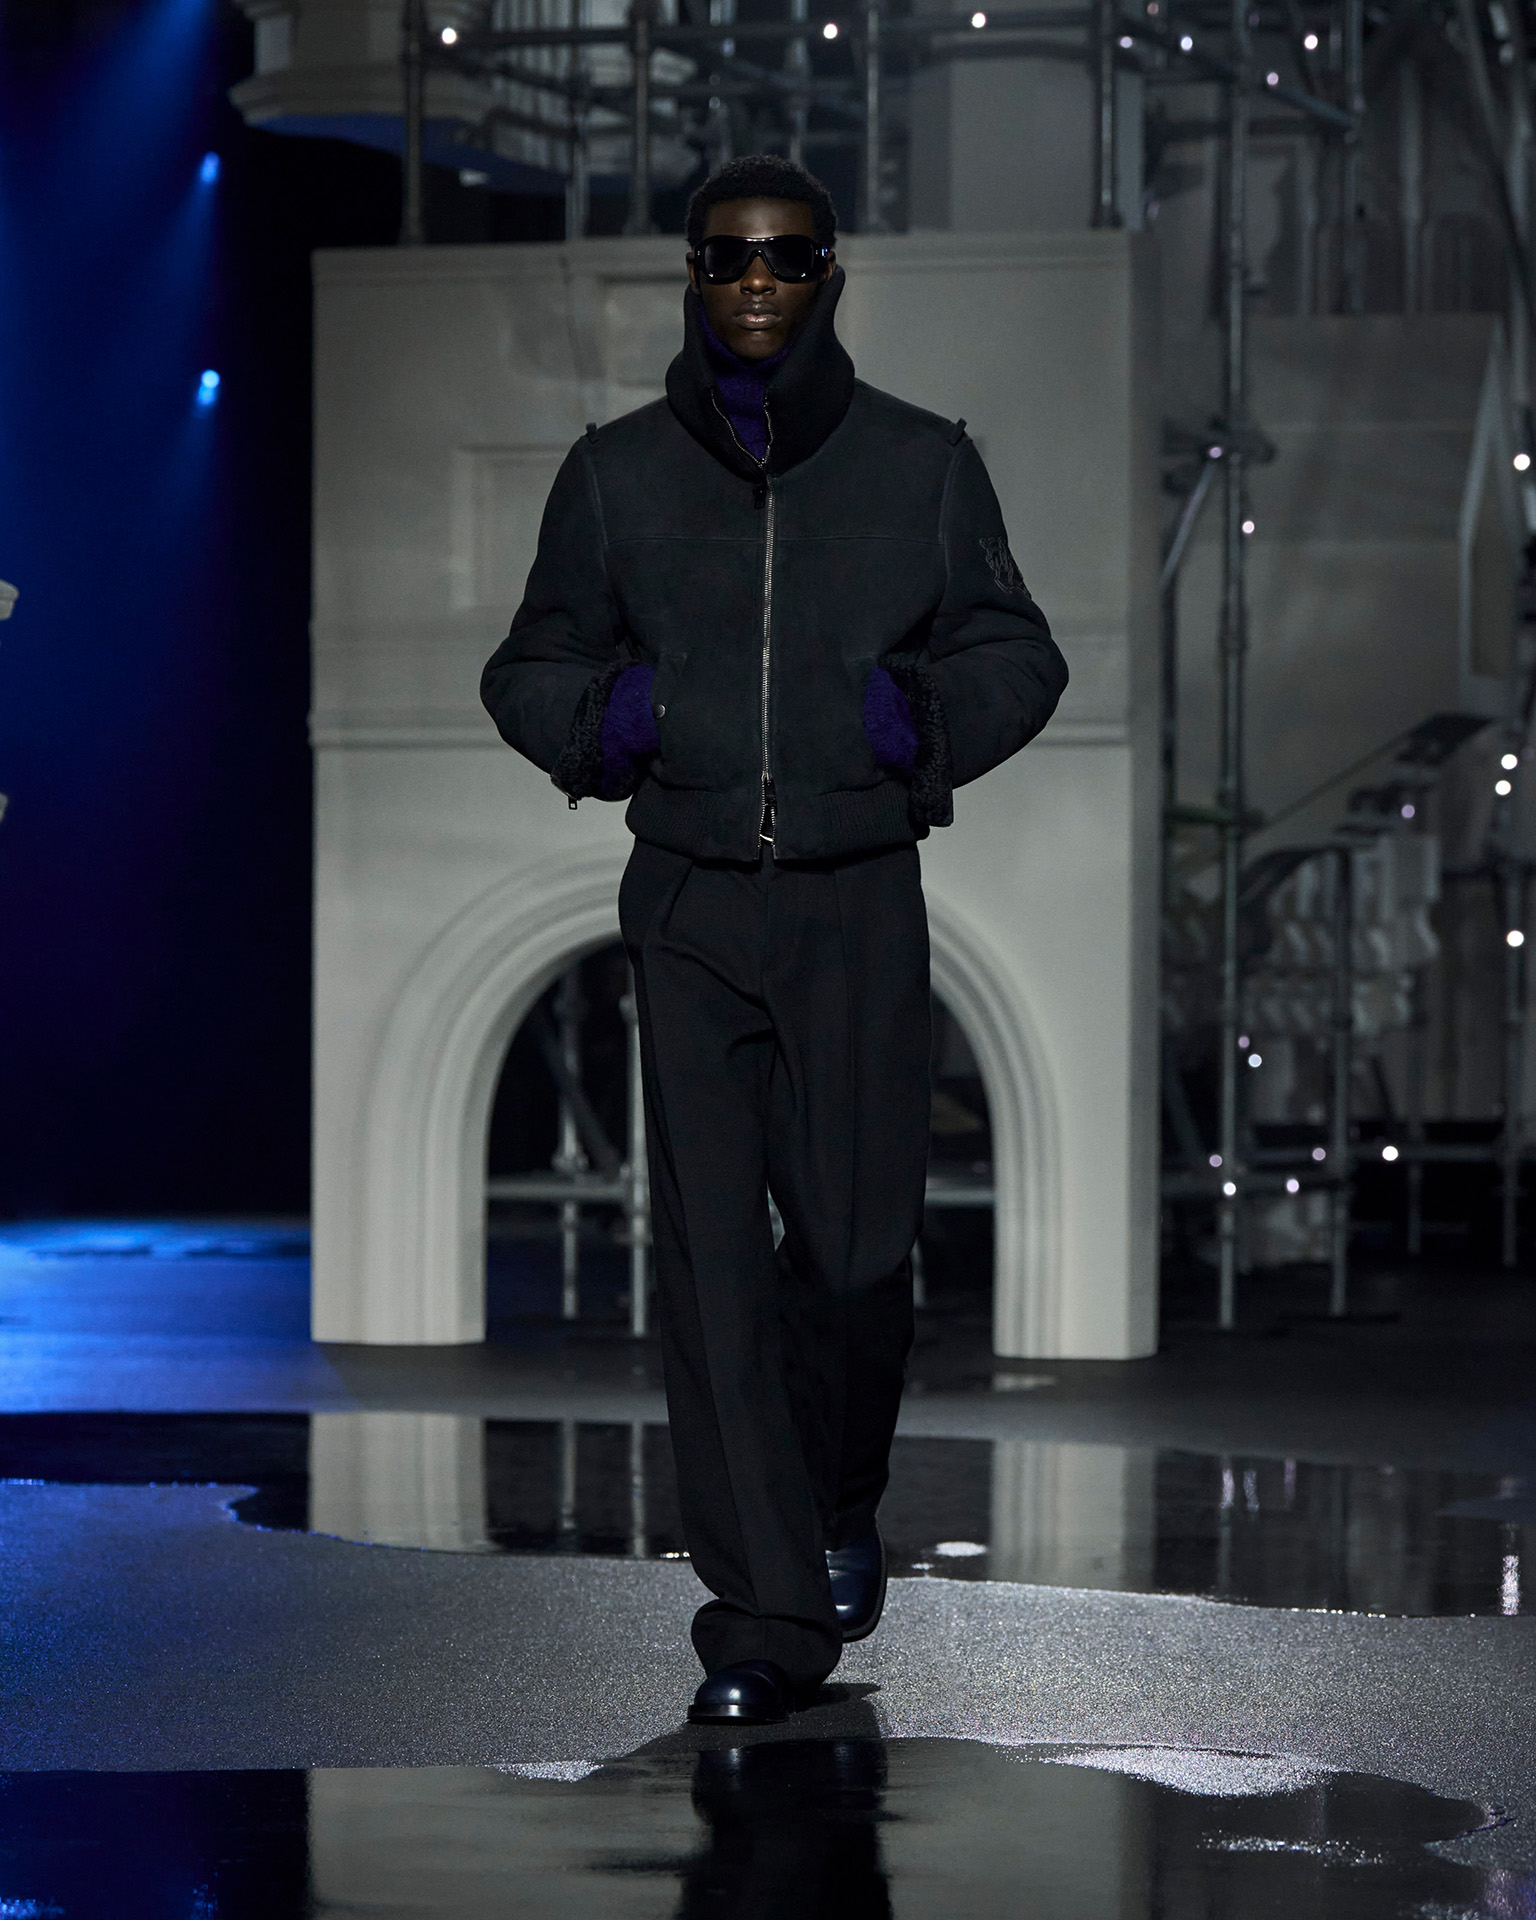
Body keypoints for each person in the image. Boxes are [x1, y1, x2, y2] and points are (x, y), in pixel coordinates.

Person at [482, 155, 1067, 1725]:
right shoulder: (614, 474)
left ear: (828, 276)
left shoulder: (922, 465)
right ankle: (763, 1615)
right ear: (693, 272)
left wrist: (917, 720)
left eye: (787, 258)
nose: (757, 281)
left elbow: (1020, 654)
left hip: (856, 899)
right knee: (712, 1269)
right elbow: (527, 665)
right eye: (730, 256)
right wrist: (619, 717)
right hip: (687, 904)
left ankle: (837, 1496)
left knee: (863, 1253)